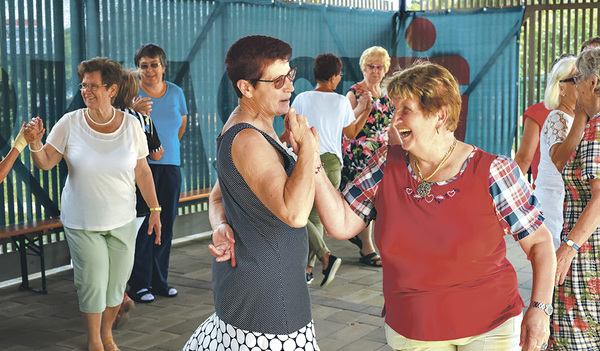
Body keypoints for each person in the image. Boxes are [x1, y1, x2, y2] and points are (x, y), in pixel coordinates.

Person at [313, 62, 555, 350]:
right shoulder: (384, 164)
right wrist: (313, 163)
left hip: (491, 327)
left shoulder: (493, 171)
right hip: (412, 329)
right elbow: (341, 224)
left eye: (406, 111)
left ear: (440, 115)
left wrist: (540, 309)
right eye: (395, 109)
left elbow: (540, 242)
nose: (395, 121)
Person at [182, 35, 320, 350]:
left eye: (290, 75)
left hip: (257, 284)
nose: (290, 86)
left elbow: (217, 195)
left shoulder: (259, 125)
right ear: (246, 88)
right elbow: (296, 214)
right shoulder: (248, 139)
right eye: (278, 80)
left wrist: (220, 226)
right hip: (269, 298)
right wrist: (309, 148)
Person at [23, 57, 161, 351]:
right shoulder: (70, 123)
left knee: (116, 286)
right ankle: (95, 341)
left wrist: (155, 209)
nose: (86, 90)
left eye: (93, 86)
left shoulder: (131, 125)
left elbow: (142, 170)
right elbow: (46, 162)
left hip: (122, 218)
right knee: (92, 284)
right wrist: (35, 143)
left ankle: (108, 332)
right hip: (82, 220)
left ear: (111, 90)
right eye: (84, 85)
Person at [289, 53, 362, 286]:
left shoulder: (301, 98)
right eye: (339, 76)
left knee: (307, 216)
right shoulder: (341, 101)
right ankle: (324, 256)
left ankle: (308, 268)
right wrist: (365, 110)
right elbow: (351, 134)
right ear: (332, 77)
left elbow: (290, 129)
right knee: (309, 216)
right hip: (330, 164)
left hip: (304, 160)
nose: (339, 80)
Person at [127, 44, 188, 304]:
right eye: (144, 65)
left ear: (163, 66)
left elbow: (180, 127)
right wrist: (134, 110)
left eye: (154, 64)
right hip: (143, 169)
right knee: (143, 228)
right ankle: (139, 284)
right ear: (138, 68)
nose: (149, 70)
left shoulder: (175, 92)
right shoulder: (131, 94)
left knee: (165, 226)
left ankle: (158, 281)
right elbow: (123, 126)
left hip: (171, 167)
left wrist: (166, 152)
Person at [550, 47, 600, 351]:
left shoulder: (597, 129)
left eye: (578, 79)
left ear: (592, 83)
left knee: (578, 335)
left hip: (587, 249)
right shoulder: (590, 122)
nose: (575, 85)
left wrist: (568, 248)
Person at [110, 68, 164, 329]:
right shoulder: (141, 120)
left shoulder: (102, 119)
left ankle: (117, 297)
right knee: (124, 251)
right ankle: (120, 294)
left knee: (107, 255)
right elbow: (156, 155)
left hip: (109, 196)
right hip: (140, 198)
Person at [342, 46, 394, 267]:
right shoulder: (354, 93)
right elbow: (347, 128)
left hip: (383, 151)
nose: (374, 71)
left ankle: (366, 239)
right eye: (370, 66)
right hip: (359, 151)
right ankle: (367, 247)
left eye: (379, 67)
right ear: (363, 68)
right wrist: (364, 108)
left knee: (383, 199)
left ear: (385, 70)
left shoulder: (388, 95)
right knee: (369, 198)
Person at [534, 55, 578, 250]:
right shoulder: (557, 118)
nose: (583, 83)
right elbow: (561, 162)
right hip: (554, 201)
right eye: (576, 79)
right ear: (561, 88)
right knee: (555, 259)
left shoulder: (576, 117)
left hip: (566, 198)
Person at [513, 102, 551, 185]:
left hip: (546, 191)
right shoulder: (585, 113)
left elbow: (524, 159)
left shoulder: (539, 111)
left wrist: (508, 189)